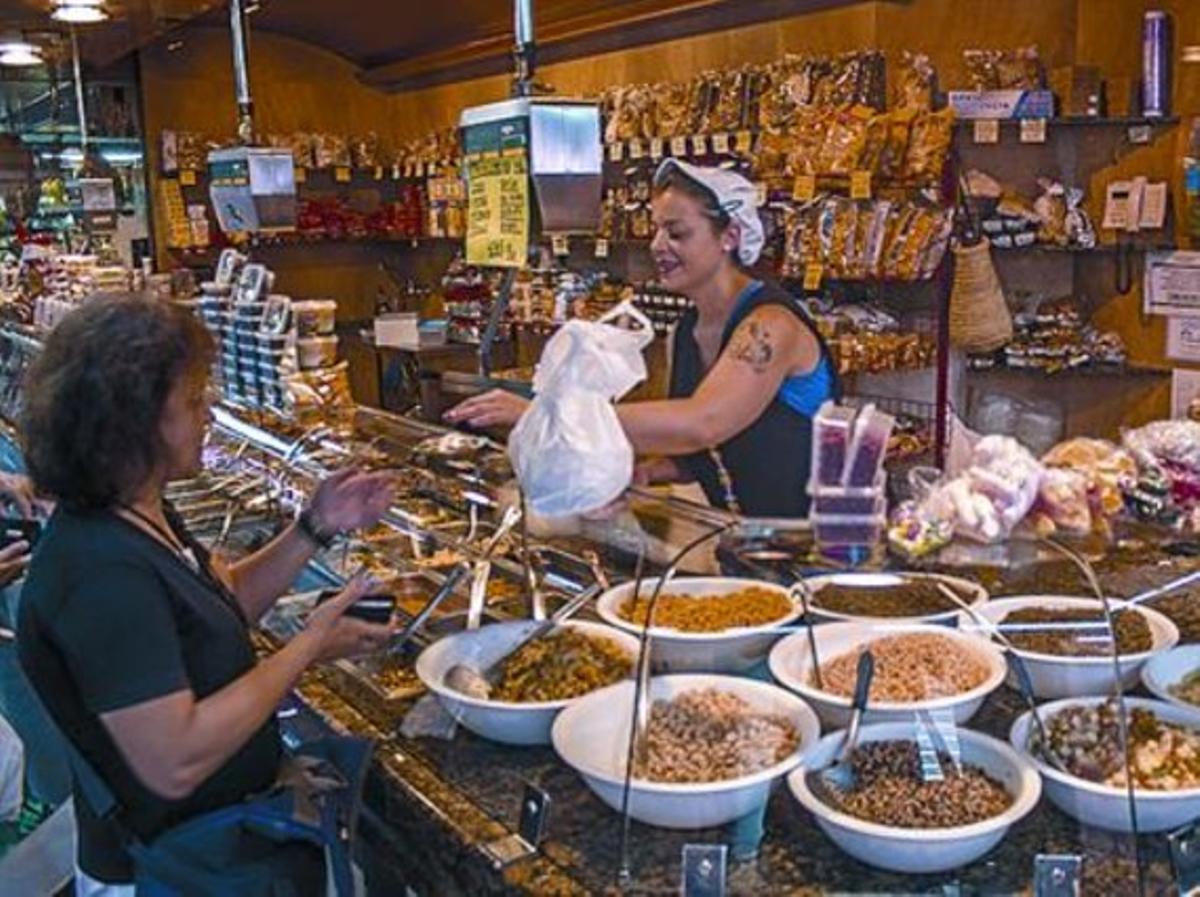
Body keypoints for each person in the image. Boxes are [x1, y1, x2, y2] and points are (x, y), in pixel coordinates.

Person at [15, 295, 397, 893]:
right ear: (136, 423)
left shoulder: (138, 512)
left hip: (219, 848)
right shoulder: (99, 572)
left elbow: (220, 601)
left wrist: (315, 526)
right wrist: (306, 647)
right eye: (193, 402)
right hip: (165, 871)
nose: (209, 416)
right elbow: (175, 759)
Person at [447, 159, 838, 518]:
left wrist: (550, 417)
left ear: (730, 236)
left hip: (816, 551)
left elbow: (703, 423)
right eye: (656, 230)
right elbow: (719, 448)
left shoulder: (769, 326)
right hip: (748, 548)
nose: (657, 246)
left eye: (677, 233)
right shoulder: (686, 331)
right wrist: (652, 471)